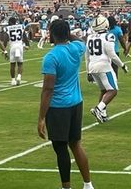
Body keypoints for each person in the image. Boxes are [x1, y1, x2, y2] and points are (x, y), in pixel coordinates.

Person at [38, 19, 95, 189]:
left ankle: (66, 186)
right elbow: (81, 41)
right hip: (76, 102)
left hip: (58, 107)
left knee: (60, 148)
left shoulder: (51, 56)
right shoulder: (75, 48)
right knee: (76, 144)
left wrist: (41, 117)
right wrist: (66, 32)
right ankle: (88, 184)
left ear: (53, 34)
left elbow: (48, 89)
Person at [86, 16, 128, 123]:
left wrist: (88, 72)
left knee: (104, 90)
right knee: (113, 90)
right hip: (104, 66)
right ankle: (98, 109)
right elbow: (112, 55)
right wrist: (122, 65)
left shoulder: (90, 37)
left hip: (92, 66)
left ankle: (103, 114)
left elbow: (87, 57)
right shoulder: (108, 36)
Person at [3, 16, 29, 86]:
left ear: (10, 22)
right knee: (20, 63)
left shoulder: (7, 28)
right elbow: (25, 36)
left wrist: (4, 49)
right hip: (20, 46)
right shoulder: (21, 26)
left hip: (12, 47)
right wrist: (27, 44)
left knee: (12, 64)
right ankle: (19, 76)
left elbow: (5, 39)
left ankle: (13, 80)